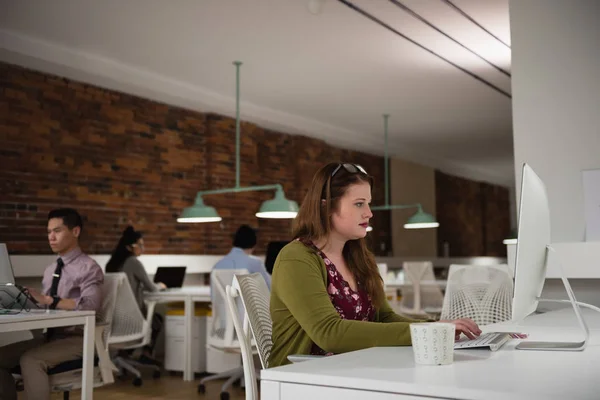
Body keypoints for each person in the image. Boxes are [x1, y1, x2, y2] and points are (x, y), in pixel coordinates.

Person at [269, 163, 481, 367]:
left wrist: (435, 327)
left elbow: (385, 317)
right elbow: (329, 333)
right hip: (301, 378)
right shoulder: (296, 258)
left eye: (369, 204)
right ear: (326, 205)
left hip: (355, 369)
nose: (369, 213)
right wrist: (429, 331)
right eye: (359, 203)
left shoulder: (357, 257)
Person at [0, 208, 104, 400]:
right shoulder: (50, 270)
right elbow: (48, 309)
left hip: (79, 338)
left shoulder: (89, 268)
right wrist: (24, 301)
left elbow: (90, 307)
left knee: (30, 360)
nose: (51, 237)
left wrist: (49, 300)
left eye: (57, 231)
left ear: (75, 232)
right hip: (50, 337)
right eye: (48, 232)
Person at [105, 226, 165, 363]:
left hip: (116, 318)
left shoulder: (111, 264)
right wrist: (161, 285)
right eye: (140, 245)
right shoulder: (133, 262)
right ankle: (146, 354)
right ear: (129, 247)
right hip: (133, 319)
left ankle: (124, 355)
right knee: (157, 321)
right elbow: (152, 288)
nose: (142, 249)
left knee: (154, 320)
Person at [212, 225, 272, 290]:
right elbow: (269, 288)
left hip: (223, 300)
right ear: (253, 244)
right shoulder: (255, 263)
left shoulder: (217, 266)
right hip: (247, 300)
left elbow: (214, 295)